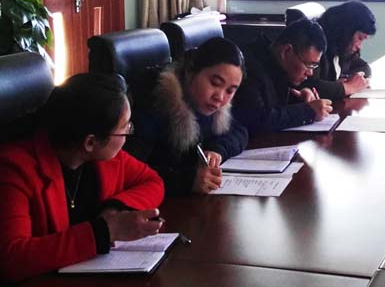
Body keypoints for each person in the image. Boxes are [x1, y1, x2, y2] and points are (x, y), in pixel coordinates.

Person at [0, 73, 165, 282]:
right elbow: (12, 257)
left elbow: (153, 182)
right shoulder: (15, 169)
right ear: (90, 142)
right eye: (125, 129)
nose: (128, 134)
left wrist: (115, 209)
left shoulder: (104, 157)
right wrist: (105, 231)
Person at [129, 37, 248, 196]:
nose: (220, 97)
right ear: (190, 72)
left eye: (230, 91)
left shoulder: (208, 105)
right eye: (215, 83)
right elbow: (130, 171)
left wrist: (217, 150)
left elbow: (239, 131)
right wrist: (187, 181)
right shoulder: (154, 102)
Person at [233, 18, 333, 135]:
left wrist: (299, 100)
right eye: (308, 64)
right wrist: (308, 111)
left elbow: (275, 107)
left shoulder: (276, 64)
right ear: (286, 51)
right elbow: (256, 119)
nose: (310, 73)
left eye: (314, 66)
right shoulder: (249, 68)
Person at [302, 1, 377, 100]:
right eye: (359, 38)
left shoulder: (341, 47)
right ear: (346, 31)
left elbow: (364, 67)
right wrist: (348, 87)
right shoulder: (316, 44)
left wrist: (349, 79)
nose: (359, 47)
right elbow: (310, 85)